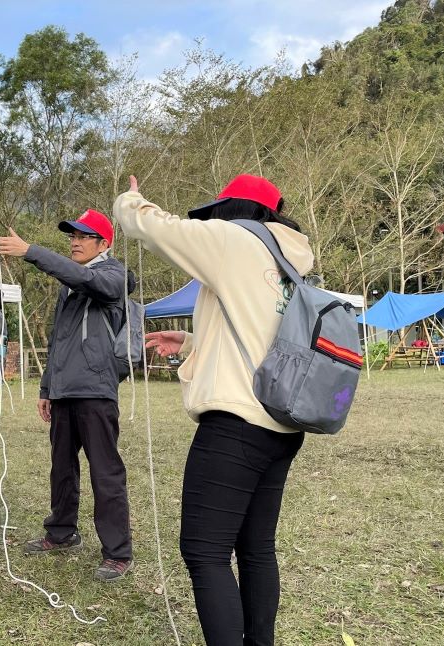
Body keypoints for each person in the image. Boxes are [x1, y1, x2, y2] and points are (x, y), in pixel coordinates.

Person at [113, 174, 312, 645]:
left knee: (204, 551)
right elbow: (261, 339)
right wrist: (190, 341)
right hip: (281, 422)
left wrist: (131, 197)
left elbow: (150, 226)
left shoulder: (234, 240)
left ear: (234, 210)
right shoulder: (291, 257)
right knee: (256, 547)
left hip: (236, 425)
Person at [0, 211, 136, 582]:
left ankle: (117, 552)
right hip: (64, 391)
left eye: (85, 236)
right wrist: (46, 389)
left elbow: (87, 279)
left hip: (96, 390)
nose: (75, 240)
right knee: (61, 468)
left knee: (106, 472)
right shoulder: (68, 284)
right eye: (72, 235)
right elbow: (60, 341)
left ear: (105, 244)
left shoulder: (114, 276)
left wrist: (30, 251)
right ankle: (61, 532)